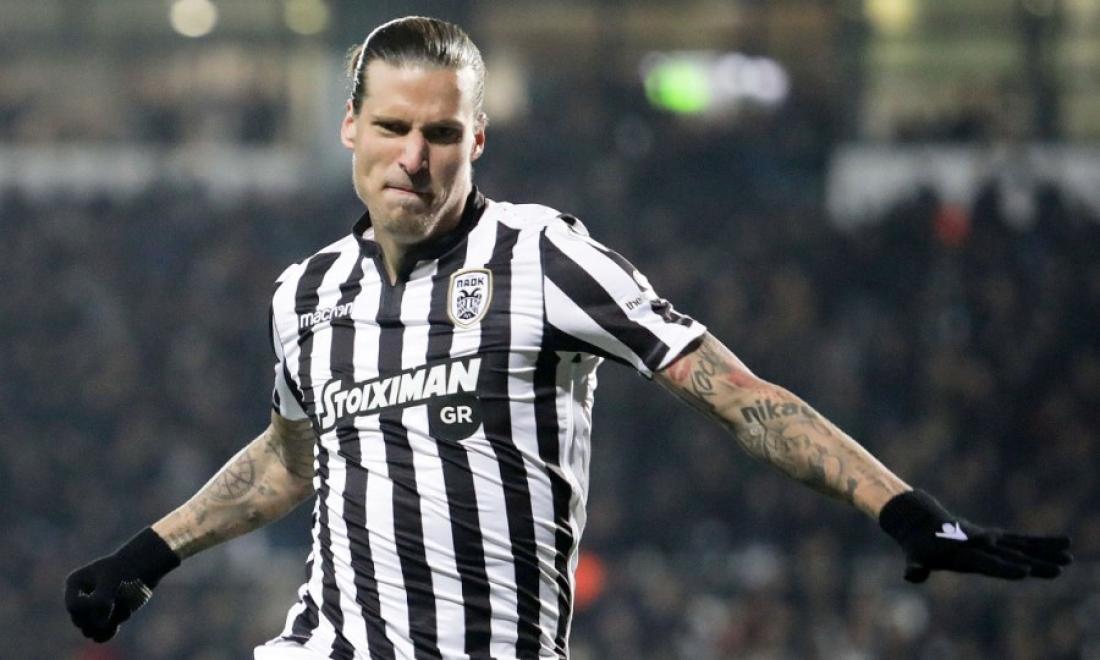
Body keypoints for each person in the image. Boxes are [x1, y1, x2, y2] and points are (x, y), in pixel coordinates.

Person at [65, 15, 1072, 660]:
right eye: (392, 128)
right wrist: (147, 554)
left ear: (477, 139)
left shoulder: (543, 256)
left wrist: (900, 508)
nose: (413, 157)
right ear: (350, 129)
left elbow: (734, 394)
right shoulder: (306, 294)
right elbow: (293, 460)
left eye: (441, 134)